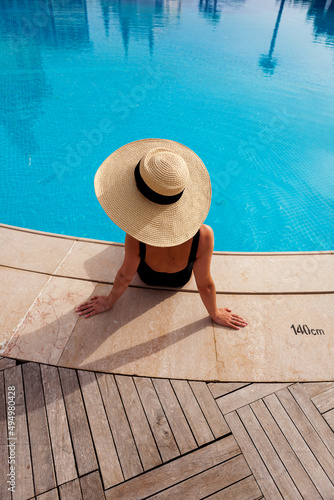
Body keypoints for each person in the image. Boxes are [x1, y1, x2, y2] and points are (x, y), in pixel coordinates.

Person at [76, 139, 247, 330]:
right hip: (180, 279)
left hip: (147, 277)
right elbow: (205, 284)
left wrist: (108, 302)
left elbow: (125, 276)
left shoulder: (136, 235)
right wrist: (214, 313)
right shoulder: (204, 234)